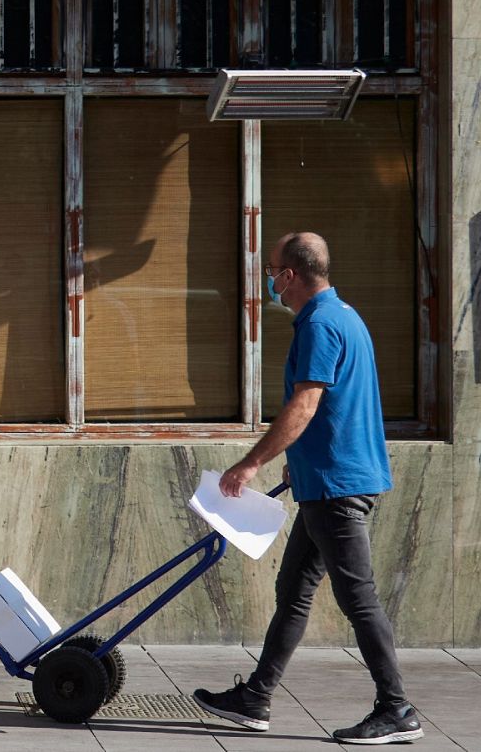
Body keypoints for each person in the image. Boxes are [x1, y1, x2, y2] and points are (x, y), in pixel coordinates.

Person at [192, 232, 422, 745]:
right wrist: (299, 460)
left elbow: (306, 405)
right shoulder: (344, 315)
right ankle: (256, 697)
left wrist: (251, 463)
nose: (270, 278)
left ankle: (397, 708)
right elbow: (337, 405)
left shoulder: (319, 324)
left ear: (289, 276)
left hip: (338, 487)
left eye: (272, 269)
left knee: (358, 599)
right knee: (292, 590)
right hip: (326, 479)